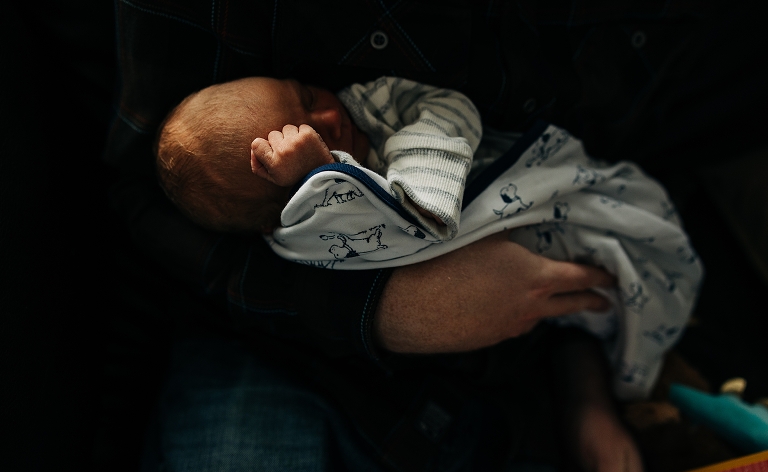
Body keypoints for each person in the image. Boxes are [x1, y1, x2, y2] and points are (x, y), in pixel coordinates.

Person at [105, 1, 768, 472]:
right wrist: (382, 296)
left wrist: (585, 391)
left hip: (516, 374)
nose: (329, 119)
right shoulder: (286, 195)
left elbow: (585, 197)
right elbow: (154, 191)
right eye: (303, 114)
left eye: (307, 97)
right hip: (283, 354)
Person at [156, 74, 702, 400]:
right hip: (512, 265)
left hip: (541, 201)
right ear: (281, 207)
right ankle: (648, 384)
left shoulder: (368, 104)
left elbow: (448, 109)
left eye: (303, 92)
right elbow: (405, 223)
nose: (326, 113)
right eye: (307, 133)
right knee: (622, 304)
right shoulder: (300, 233)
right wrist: (323, 173)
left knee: (628, 236)